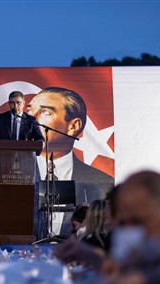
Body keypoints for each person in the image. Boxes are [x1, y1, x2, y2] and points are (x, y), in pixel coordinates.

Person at [28, 87, 114, 235]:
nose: (32, 119)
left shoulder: (103, 182)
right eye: (29, 112)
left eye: (45, 112)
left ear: (74, 126)